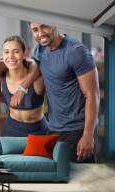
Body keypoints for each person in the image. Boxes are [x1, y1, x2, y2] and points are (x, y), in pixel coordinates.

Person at [28, 22, 100, 162]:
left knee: (80, 180)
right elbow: (27, 69)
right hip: (53, 129)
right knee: (58, 179)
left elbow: (92, 94)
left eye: (44, 26)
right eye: (35, 30)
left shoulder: (75, 50)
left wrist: (88, 135)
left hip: (77, 130)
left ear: (55, 23)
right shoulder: (39, 51)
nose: (40, 33)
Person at [0, 35, 48, 137]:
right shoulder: (1, 76)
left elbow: (37, 64)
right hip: (11, 130)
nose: (10, 56)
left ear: (24, 54)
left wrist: (22, 89)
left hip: (38, 131)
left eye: (16, 51)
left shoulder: (36, 77)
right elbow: (3, 97)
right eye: (6, 52)